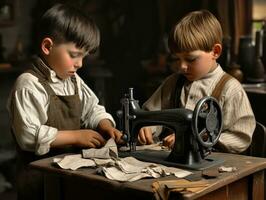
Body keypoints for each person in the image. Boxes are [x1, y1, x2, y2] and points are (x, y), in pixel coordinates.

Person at [7, 3, 122, 199]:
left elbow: (92, 108)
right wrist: (76, 137)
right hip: (39, 182)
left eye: (83, 57)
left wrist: (104, 124)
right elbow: (28, 136)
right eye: (74, 55)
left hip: (69, 177)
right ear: (47, 46)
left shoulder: (73, 80)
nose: (80, 63)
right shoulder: (29, 84)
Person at [138, 10, 256, 154]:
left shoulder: (230, 89)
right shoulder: (172, 83)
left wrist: (199, 138)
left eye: (191, 59)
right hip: (177, 163)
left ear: (215, 52)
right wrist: (148, 126)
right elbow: (150, 114)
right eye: (177, 59)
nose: (181, 66)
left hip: (216, 166)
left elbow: (240, 137)